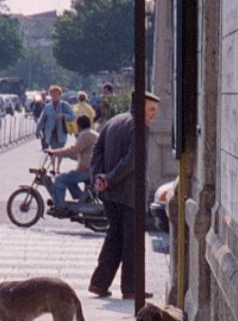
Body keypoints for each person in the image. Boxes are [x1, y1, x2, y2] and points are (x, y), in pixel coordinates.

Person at [88, 92, 160, 299]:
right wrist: (108, 178)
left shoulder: (113, 121)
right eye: (151, 109)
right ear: (140, 107)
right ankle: (131, 288)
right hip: (130, 194)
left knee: (114, 238)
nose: (154, 115)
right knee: (132, 242)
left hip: (110, 195)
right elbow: (132, 160)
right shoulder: (139, 126)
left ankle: (99, 283)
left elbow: (97, 151)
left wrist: (99, 178)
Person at [47, 115, 98, 213]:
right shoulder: (91, 133)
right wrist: (60, 153)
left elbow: (74, 150)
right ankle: (82, 199)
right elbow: (78, 153)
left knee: (60, 179)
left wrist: (55, 152)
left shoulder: (86, 135)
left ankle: (60, 207)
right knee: (69, 178)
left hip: (87, 170)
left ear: (78, 125)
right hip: (90, 168)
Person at [35, 85, 74, 151]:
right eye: (53, 94)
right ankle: (53, 161)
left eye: (56, 94)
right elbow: (41, 120)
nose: (54, 96)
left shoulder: (65, 105)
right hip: (50, 133)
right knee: (54, 150)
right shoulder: (47, 107)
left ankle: (57, 160)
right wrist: (37, 131)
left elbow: (73, 116)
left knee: (60, 150)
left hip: (62, 133)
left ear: (60, 95)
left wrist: (63, 115)